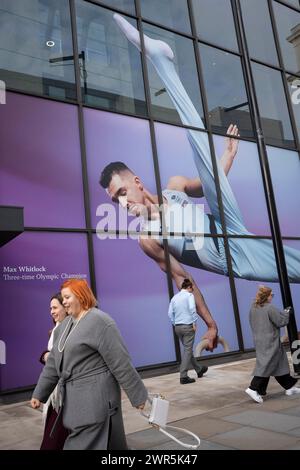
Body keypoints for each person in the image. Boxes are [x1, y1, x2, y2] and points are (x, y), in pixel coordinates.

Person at [99, 14, 300, 349]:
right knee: (294, 267)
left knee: (198, 143)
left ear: (135, 181)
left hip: (227, 223)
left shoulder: (174, 187)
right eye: (114, 200)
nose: (121, 203)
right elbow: (184, 279)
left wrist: (227, 159)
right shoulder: (148, 238)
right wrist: (210, 324)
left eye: (121, 192)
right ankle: (161, 60)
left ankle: (160, 58)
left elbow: (210, 186)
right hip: (234, 255)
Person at [31, 279, 148, 450]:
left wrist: (137, 396)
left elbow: (120, 361)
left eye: (67, 297)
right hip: (74, 404)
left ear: (80, 296)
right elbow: (54, 363)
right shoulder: (65, 326)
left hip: (95, 402)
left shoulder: (100, 321)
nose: (63, 302)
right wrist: (39, 393)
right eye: (63, 298)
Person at [245, 286, 300, 403]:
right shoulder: (270, 308)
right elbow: (281, 322)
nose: (272, 297)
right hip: (270, 341)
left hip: (260, 341)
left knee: (277, 363)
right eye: (271, 295)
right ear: (267, 296)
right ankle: (253, 388)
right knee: (267, 364)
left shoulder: (253, 308)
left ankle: (289, 387)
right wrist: (287, 313)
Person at [39, 293, 69, 450]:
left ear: (66, 308)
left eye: (55, 307)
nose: (51, 311)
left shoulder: (70, 330)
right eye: (50, 308)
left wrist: (49, 356)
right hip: (55, 392)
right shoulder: (56, 329)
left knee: (54, 439)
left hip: (65, 395)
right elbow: (52, 354)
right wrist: (46, 355)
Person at [168, 278, 208, 384]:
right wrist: (194, 322)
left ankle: (199, 369)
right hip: (188, 326)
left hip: (178, 327)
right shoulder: (189, 296)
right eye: (192, 289)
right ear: (189, 287)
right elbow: (192, 308)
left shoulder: (175, 297)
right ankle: (183, 376)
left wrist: (175, 323)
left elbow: (170, 313)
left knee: (187, 349)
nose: (192, 291)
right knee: (187, 350)